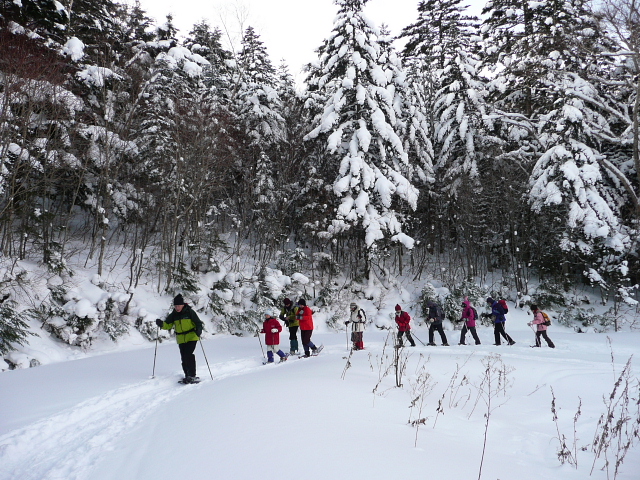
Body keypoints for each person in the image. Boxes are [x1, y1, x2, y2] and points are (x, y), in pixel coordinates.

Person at [156, 294, 204, 384]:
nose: (177, 308)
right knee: (184, 357)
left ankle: (192, 375)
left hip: (192, 336)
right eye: (175, 306)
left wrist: (199, 330)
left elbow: (198, 322)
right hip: (181, 338)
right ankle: (187, 375)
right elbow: (168, 325)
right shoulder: (174, 315)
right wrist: (161, 324)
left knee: (188, 355)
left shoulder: (189, 312)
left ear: (183, 305)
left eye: (178, 306)